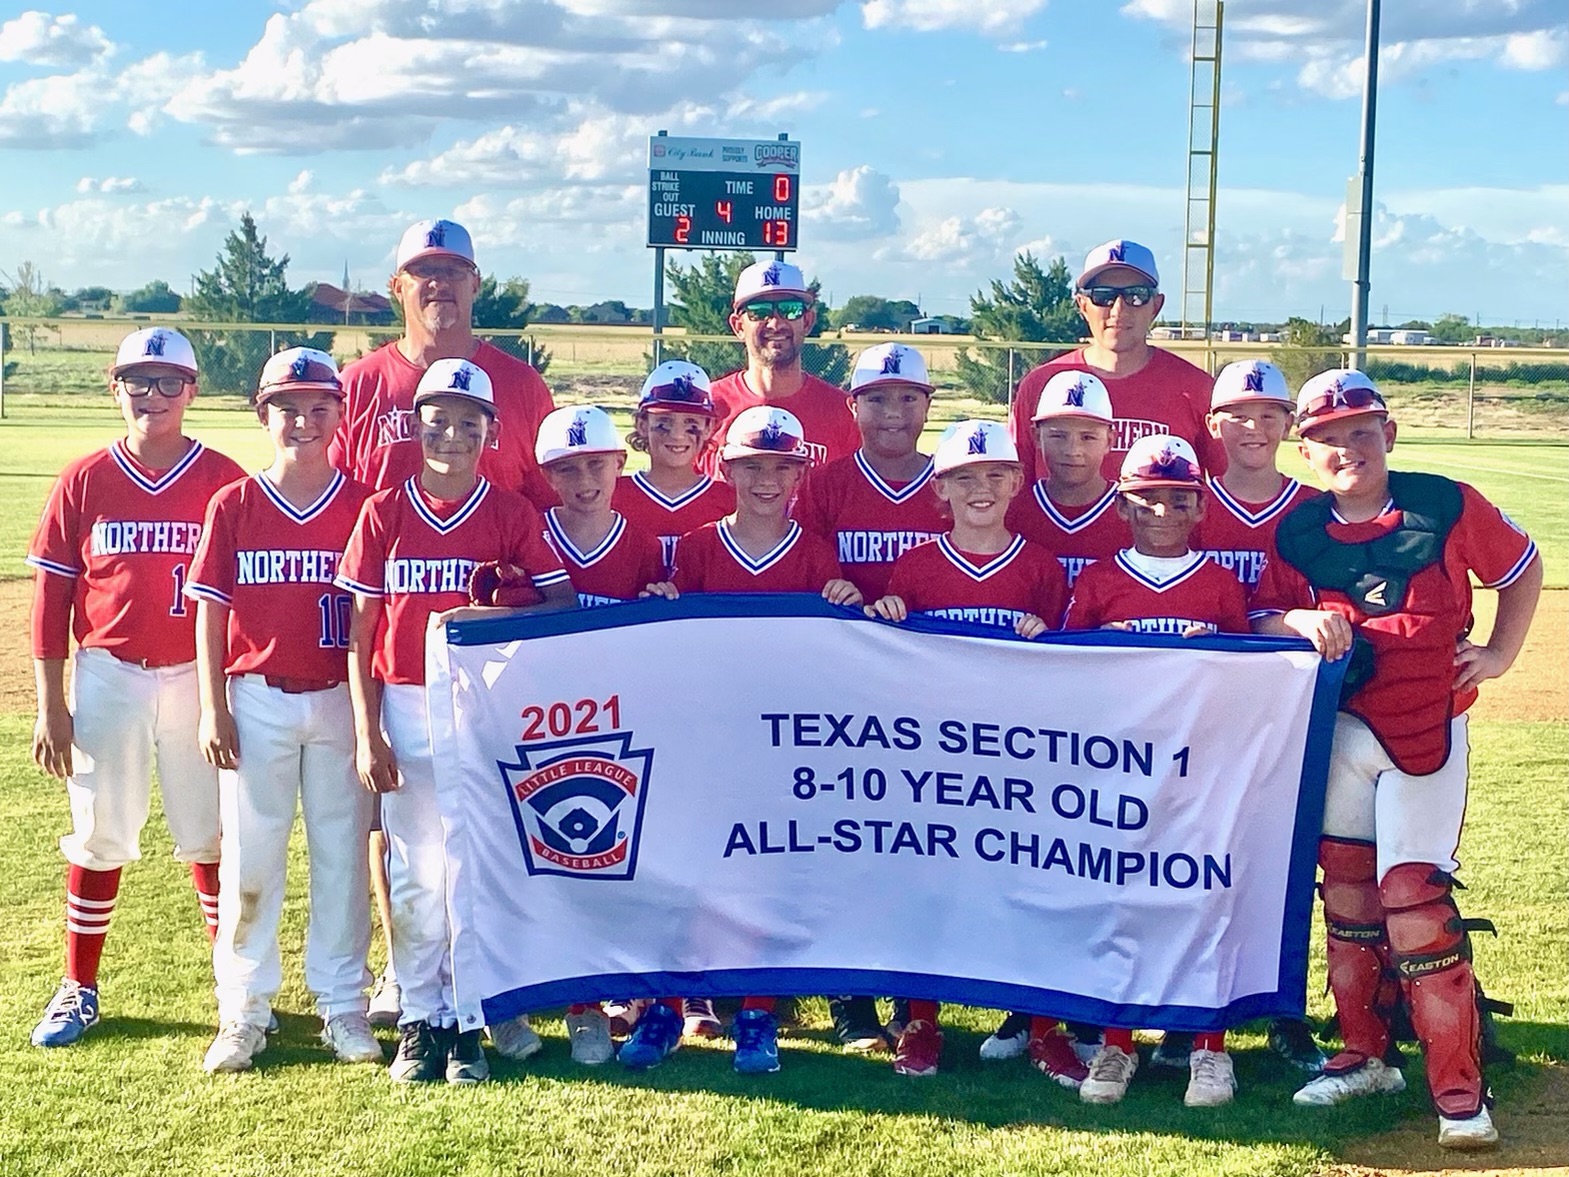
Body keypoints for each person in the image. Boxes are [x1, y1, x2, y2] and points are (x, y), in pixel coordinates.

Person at [1251, 370, 1541, 1150]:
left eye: (1359, 430)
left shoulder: (1446, 503)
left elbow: (1520, 566)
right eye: (1326, 438)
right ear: (1304, 450)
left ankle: (1457, 1091)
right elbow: (1260, 611)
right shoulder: (1298, 529)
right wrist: (1296, 616)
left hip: (1425, 730)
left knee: (1411, 899)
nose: (1345, 448)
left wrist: (1499, 653)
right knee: (1346, 894)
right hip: (1342, 730)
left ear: (1387, 433)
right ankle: (1364, 1052)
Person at [331, 217, 558, 1028]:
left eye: (454, 270)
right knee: (391, 817)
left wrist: (511, 603)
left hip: (486, 662)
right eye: (422, 271)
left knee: (484, 826)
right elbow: (337, 508)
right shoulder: (360, 385)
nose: (439, 284)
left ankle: (483, 972)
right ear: (399, 287)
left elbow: (539, 509)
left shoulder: (520, 386)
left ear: (475, 283)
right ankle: (405, 970)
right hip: (383, 633)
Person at [27, 327, 245, 1048]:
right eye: (137, 380)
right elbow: (51, 600)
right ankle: (78, 985)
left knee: (208, 835)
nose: (153, 395)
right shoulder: (85, 477)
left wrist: (230, 692)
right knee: (97, 834)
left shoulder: (223, 479)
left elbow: (247, 591)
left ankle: (233, 989)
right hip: (109, 672)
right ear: (113, 386)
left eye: (168, 381)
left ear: (193, 389)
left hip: (196, 680)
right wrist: (50, 703)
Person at [634, 407, 859, 1077]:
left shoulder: (815, 551)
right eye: (752, 465)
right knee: (683, 867)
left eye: (781, 466)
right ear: (724, 467)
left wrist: (843, 600)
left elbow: (835, 652)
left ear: (798, 472)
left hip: (778, 741)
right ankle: (666, 1003)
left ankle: (756, 1009)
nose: (767, 479)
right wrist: (663, 603)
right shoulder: (700, 545)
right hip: (703, 734)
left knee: (763, 871)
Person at [185, 348, 379, 1074]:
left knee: (340, 857)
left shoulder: (364, 503)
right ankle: (244, 1010)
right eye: (287, 406)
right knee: (250, 857)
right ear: (262, 414)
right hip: (257, 694)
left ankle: (341, 1002)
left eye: (318, 405)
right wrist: (213, 705)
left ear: (340, 413)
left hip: (338, 699)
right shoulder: (234, 501)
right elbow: (209, 613)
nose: (303, 419)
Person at [866, 419, 1067, 1077]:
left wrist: (1049, 637)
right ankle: (921, 1019)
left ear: (1014, 481)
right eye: (963, 478)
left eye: (992, 475)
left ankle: (1042, 1024)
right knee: (929, 883)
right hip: (937, 756)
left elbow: (1071, 672)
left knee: (1029, 883)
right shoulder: (916, 564)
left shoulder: (1038, 565)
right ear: (940, 489)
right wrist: (889, 613)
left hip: (1018, 753)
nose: (979, 488)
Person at [1063, 434, 1249, 1108]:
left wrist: (1220, 655)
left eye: (1178, 499)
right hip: (1118, 770)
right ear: (1122, 505)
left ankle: (1207, 1047)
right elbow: (1068, 676)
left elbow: (1247, 687)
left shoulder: (1220, 582)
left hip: (1199, 773)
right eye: (1147, 499)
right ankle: (1116, 1042)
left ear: (1199, 506)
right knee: (1121, 901)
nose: (1162, 511)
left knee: (1202, 899)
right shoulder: (1100, 579)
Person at [1185, 358, 1326, 1076]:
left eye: (1268, 414)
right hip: (1193, 710)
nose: (1252, 427)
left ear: (1286, 427)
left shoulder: (1312, 509)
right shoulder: (1181, 498)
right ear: (1213, 425)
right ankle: (1187, 1004)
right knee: (1186, 852)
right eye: (1236, 414)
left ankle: (1284, 1010)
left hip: (1280, 712)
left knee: (1281, 859)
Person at [1006, 239, 1219, 486]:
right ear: (1082, 305)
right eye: (1103, 296)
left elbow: (1225, 490)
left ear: (1156, 306)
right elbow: (1015, 489)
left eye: (1135, 296)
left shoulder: (1197, 388)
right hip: (1059, 526)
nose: (1119, 309)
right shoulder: (1042, 384)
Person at [795, 342, 947, 604]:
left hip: (931, 640)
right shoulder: (823, 484)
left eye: (908, 398)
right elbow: (802, 569)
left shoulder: (953, 483)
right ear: (854, 407)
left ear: (928, 407)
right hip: (848, 636)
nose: (893, 412)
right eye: (877, 399)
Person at [700, 260, 861, 474]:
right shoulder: (705, 407)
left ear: (807, 321)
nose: (776, 324)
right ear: (738, 326)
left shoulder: (845, 413)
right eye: (759, 311)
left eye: (790, 310)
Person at [612, 361, 735, 577]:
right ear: (642, 425)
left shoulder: (728, 500)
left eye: (690, 421)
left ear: (709, 427)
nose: (677, 434)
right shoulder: (612, 494)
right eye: (664, 421)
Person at [536, 406, 665, 611]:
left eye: (596, 463)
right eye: (567, 468)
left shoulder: (644, 547)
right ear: (548, 476)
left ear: (619, 464)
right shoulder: (530, 534)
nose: (584, 479)